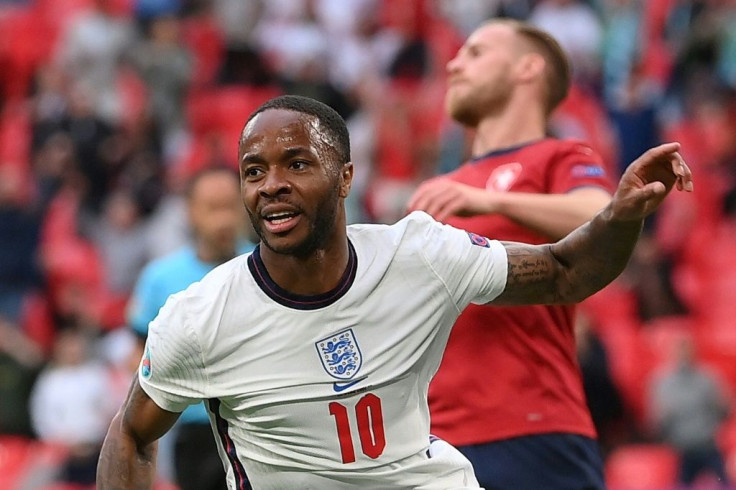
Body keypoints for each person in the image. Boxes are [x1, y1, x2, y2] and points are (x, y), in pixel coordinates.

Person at [97, 95, 692, 489]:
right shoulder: (201, 318)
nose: (271, 185)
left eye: (297, 164)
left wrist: (620, 216)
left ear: (346, 177)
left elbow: (565, 271)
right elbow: (130, 432)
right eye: (255, 171)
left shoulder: (419, 255)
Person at [407, 19, 615, 488]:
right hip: (429, 442)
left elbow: (602, 217)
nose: (454, 63)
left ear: (528, 68)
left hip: (531, 430)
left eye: (476, 53)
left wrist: (491, 200)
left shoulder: (559, 156)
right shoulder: (434, 191)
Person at [126, 166, 253, 490]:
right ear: (190, 212)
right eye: (212, 207)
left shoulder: (267, 267)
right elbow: (139, 354)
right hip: (190, 430)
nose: (223, 218)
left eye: (230, 205)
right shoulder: (160, 279)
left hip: (253, 421)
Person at [648, 335, 731, 486]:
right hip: (680, 451)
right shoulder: (661, 382)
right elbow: (656, 421)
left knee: (725, 484)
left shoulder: (709, 378)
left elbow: (724, 411)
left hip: (709, 446)